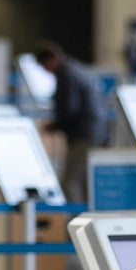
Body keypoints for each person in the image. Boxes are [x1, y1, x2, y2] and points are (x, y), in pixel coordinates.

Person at [36, 41, 106, 198]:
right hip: (96, 132)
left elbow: (70, 110)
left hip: (84, 135)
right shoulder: (77, 69)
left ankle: (76, 219)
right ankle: (88, 218)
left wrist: (53, 126)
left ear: (50, 60)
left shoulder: (66, 76)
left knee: (71, 182)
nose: (46, 71)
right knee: (86, 181)